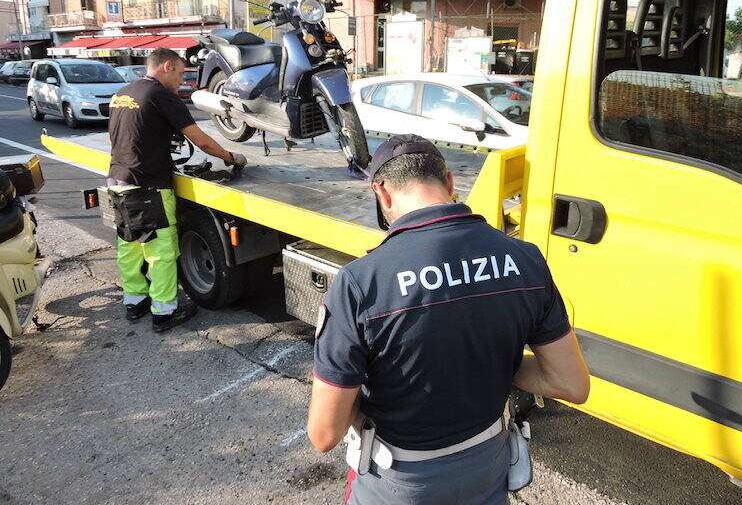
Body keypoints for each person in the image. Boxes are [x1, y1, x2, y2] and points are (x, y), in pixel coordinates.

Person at [307, 134, 590, 504]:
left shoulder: (359, 283)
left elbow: (324, 434)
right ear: (451, 182)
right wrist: (493, 362)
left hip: (403, 484)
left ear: (383, 194)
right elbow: (572, 385)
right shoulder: (525, 259)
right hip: (488, 468)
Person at [107, 47, 247, 332]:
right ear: (167, 66)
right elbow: (200, 141)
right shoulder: (161, 96)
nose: (182, 81)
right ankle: (164, 312)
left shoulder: (123, 93)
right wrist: (231, 158)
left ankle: (134, 303)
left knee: (130, 246)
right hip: (149, 187)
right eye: (182, 74)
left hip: (118, 181)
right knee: (161, 253)